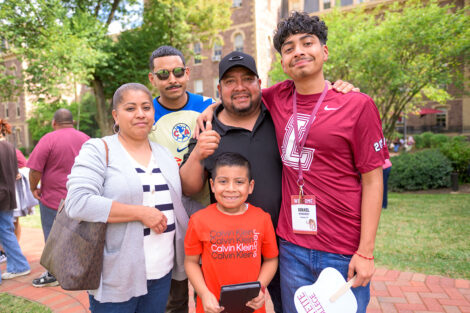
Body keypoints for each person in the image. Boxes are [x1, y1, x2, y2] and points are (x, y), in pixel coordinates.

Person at [181, 50, 357, 313]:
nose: (239, 87)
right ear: (219, 89)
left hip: (290, 245)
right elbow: (189, 187)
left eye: (247, 79)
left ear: (260, 84)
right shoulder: (207, 128)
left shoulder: (279, 113)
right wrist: (197, 153)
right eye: (230, 82)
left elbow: (311, 93)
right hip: (236, 250)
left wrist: (335, 88)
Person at [261, 12, 388, 312]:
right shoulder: (276, 96)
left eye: (308, 43)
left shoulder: (357, 104)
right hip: (292, 248)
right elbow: (236, 98)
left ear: (325, 51)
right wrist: (206, 109)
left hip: (343, 249)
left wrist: (366, 252)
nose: (299, 51)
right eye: (289, 48)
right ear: (282, 62)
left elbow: (373, 180)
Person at [65, 83, 187, 313]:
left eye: (146, 107)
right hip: (116, 276)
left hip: (162, 272)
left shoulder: (163, 154)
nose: (140, 114)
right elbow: (77, 202)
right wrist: (141, 212)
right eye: (130, 108)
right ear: (116, 115)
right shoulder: (98, 149)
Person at [147, 45, 214, 313]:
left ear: (187, 73)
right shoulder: (144, 113)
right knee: (173, 297)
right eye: (163, 74)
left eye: (176, 72)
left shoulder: (209, 106)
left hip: (206, 210)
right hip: (165, 217)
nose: (171, 79)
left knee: (210, 288)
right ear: (152, 79)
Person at [184, 152, 278, 313]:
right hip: (212, 307)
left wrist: (260, 289)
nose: (231, 189)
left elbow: (271, 260)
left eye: (239, 182)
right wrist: (204, 294)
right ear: (212, 185)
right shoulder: (199, 220)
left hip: (252, 307)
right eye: (223, 181)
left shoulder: (262, 219)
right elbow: (191, 262)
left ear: (250, 186)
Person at [27, 109, 89, 287]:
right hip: (82, 196)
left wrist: (33, 187)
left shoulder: (49, 139)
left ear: (54, 123)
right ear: (71, 122)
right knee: (81, 235)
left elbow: (35, 169)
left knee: (52, 235)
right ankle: (79, 269)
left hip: (54, 198)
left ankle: (53, 274)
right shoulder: (86, 138)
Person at [0, 119, 31, 283]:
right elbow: (16, 172)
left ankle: (19, 265)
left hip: (2, 194)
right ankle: (19, 265)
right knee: (6, 231)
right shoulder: (10, 147)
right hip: (9, 194)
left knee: (5, 231)